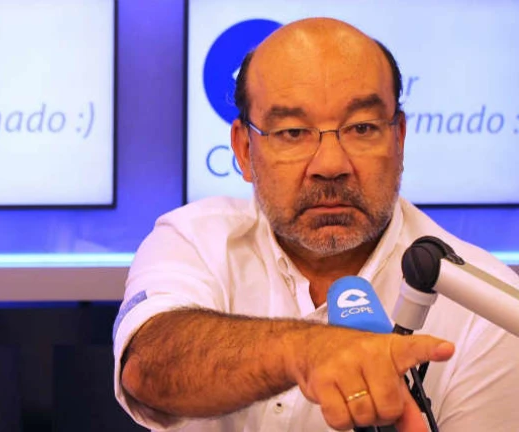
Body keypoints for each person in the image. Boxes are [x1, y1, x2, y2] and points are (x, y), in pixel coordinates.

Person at [112, 17, 519, 432]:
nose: (330, 165)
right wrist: (305, 349)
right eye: (293, 132)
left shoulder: (488, 307)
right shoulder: (194, 240)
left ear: (399, 138)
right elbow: (146, 368)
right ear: (244, 149)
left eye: (362, 128)